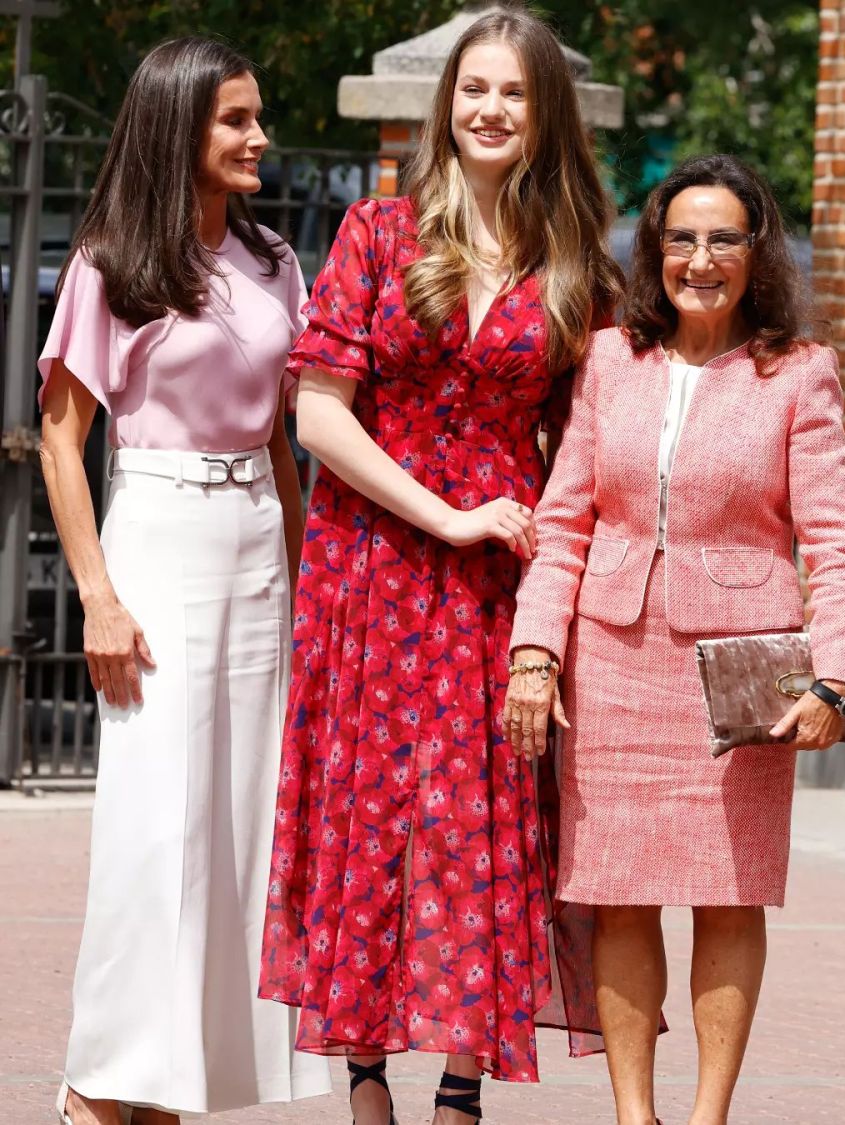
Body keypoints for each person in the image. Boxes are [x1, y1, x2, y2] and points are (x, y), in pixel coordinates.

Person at [257, 9, 623, 1124]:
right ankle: (364, 1077)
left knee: (479, 821)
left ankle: (459, 1087)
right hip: (368, 568)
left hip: (491, 593)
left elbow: (589, 451)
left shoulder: (574, 267)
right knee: (367, 812)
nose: (490, 110)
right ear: (445, 105)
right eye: (474, 90)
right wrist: (449, 516)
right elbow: (318, 417)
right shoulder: (378, 231)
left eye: (514, 93)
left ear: (543, 111)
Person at [505, 153, 845, 1125]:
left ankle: (706, 1117)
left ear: (758, 255)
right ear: (654, 250)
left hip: (741, 678)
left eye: (723, 238)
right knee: (619, 892)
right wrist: (535, 649)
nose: (700, 258)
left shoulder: (799, 374)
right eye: (681, 237)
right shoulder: (608, 361)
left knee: (728, 894)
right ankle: (637, 1116)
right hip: (614, 663)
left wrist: (836, 681)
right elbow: (566, 521)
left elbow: (834, 540)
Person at [38, 37, 331, 1125]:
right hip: (155, 539)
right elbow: (61, 441)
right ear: (180, 127)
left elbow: (290, 448)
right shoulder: (114, 261)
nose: (259, 137)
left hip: (257, 543)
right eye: (235, 121)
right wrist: (98, 597)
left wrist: (307, 594)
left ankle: (174, 1094)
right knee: (157, 831)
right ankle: (98, 1088)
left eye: (258, 118)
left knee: (239, 833)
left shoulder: (274, 260)